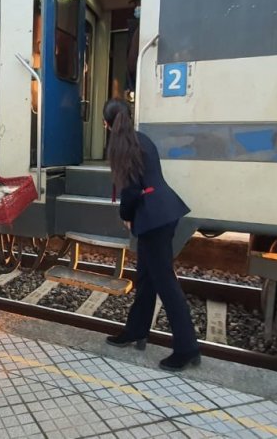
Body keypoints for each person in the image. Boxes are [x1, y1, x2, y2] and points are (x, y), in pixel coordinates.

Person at [101, 99, 200, 371]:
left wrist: (127, 217)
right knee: (146, 277)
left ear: (106, 124)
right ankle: (136, 330)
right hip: (163, 213)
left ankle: (187, 348)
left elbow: (130, 191)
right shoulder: (143, 140)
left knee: (166, 284)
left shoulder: (120, 147)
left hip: (153, 220)